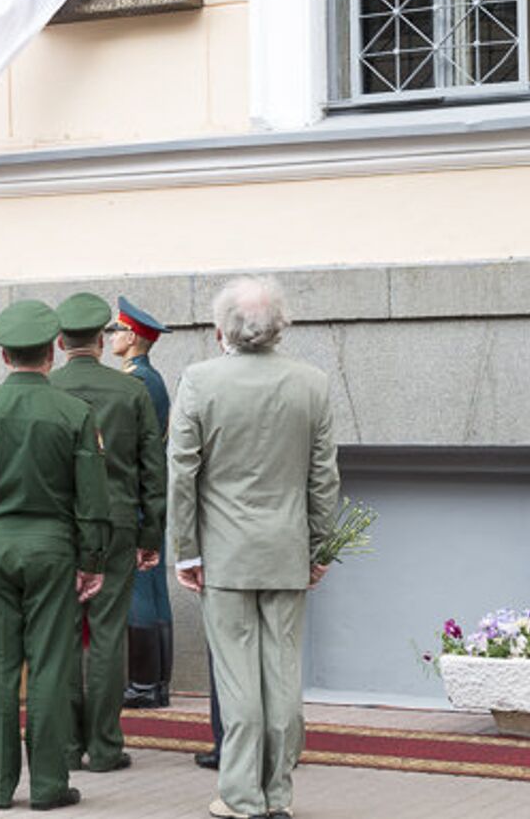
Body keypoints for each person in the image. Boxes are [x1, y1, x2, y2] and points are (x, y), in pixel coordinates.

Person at [168, 278, 341, 819]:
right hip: (287, 547)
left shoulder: (199, 380)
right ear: (280, 326)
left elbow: (182, 475)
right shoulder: (311, 383)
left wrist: (185, 549)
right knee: (283, 675)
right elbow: (323, 479)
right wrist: (321, 546)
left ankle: (242, 795)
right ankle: (277, 794)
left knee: (237, 677)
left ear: (221, 330)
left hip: (224, 553)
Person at [0, 299, 110, 812]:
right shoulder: (75, 413)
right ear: (51, 353)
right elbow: (92, 500)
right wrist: (93, 561)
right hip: (54, 549)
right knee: (52, 667)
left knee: (0, 667)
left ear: (4, 355)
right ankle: (51, 785)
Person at [49, 293, 164, 775]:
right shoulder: (131, 391)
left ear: (58, 342)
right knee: (108, 634)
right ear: (100, 340)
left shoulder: (47, 388)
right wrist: (151, 535)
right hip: (117, 521)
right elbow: (150, 471)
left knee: (65, 634)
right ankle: (104, 743)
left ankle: (70, 743)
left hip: (59, 525)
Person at [110, 296, 176, 713]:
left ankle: (145, 683)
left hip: (134, 492)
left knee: (140, 589)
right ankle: (154, 682)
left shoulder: (138, 381)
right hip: (144, 490)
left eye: (114, 330)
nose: (110, 337)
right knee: (150, 587)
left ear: (132, 336)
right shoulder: (145, 378)